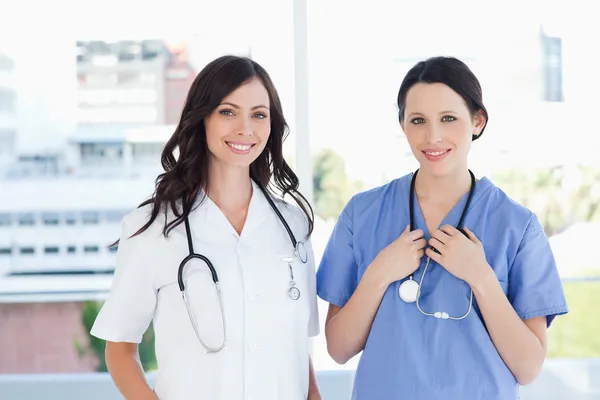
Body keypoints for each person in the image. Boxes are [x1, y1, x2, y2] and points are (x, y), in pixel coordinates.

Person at [316, 56, 568, 399]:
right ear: (403, 125)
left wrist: (480, 277)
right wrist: (379, 274)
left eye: (448, 119)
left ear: (477, 121)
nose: (432, 136)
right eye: (418, 120)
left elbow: (528, 367)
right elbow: (339, 348)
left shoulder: (517, 227)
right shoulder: (362, 214)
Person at [90, 55, 321, 400]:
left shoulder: (292, 224)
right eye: (228, 112)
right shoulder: (153, 228)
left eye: (259, 114)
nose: (245, 128)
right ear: (203, 118)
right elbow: (120, 348)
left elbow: (295, 348)